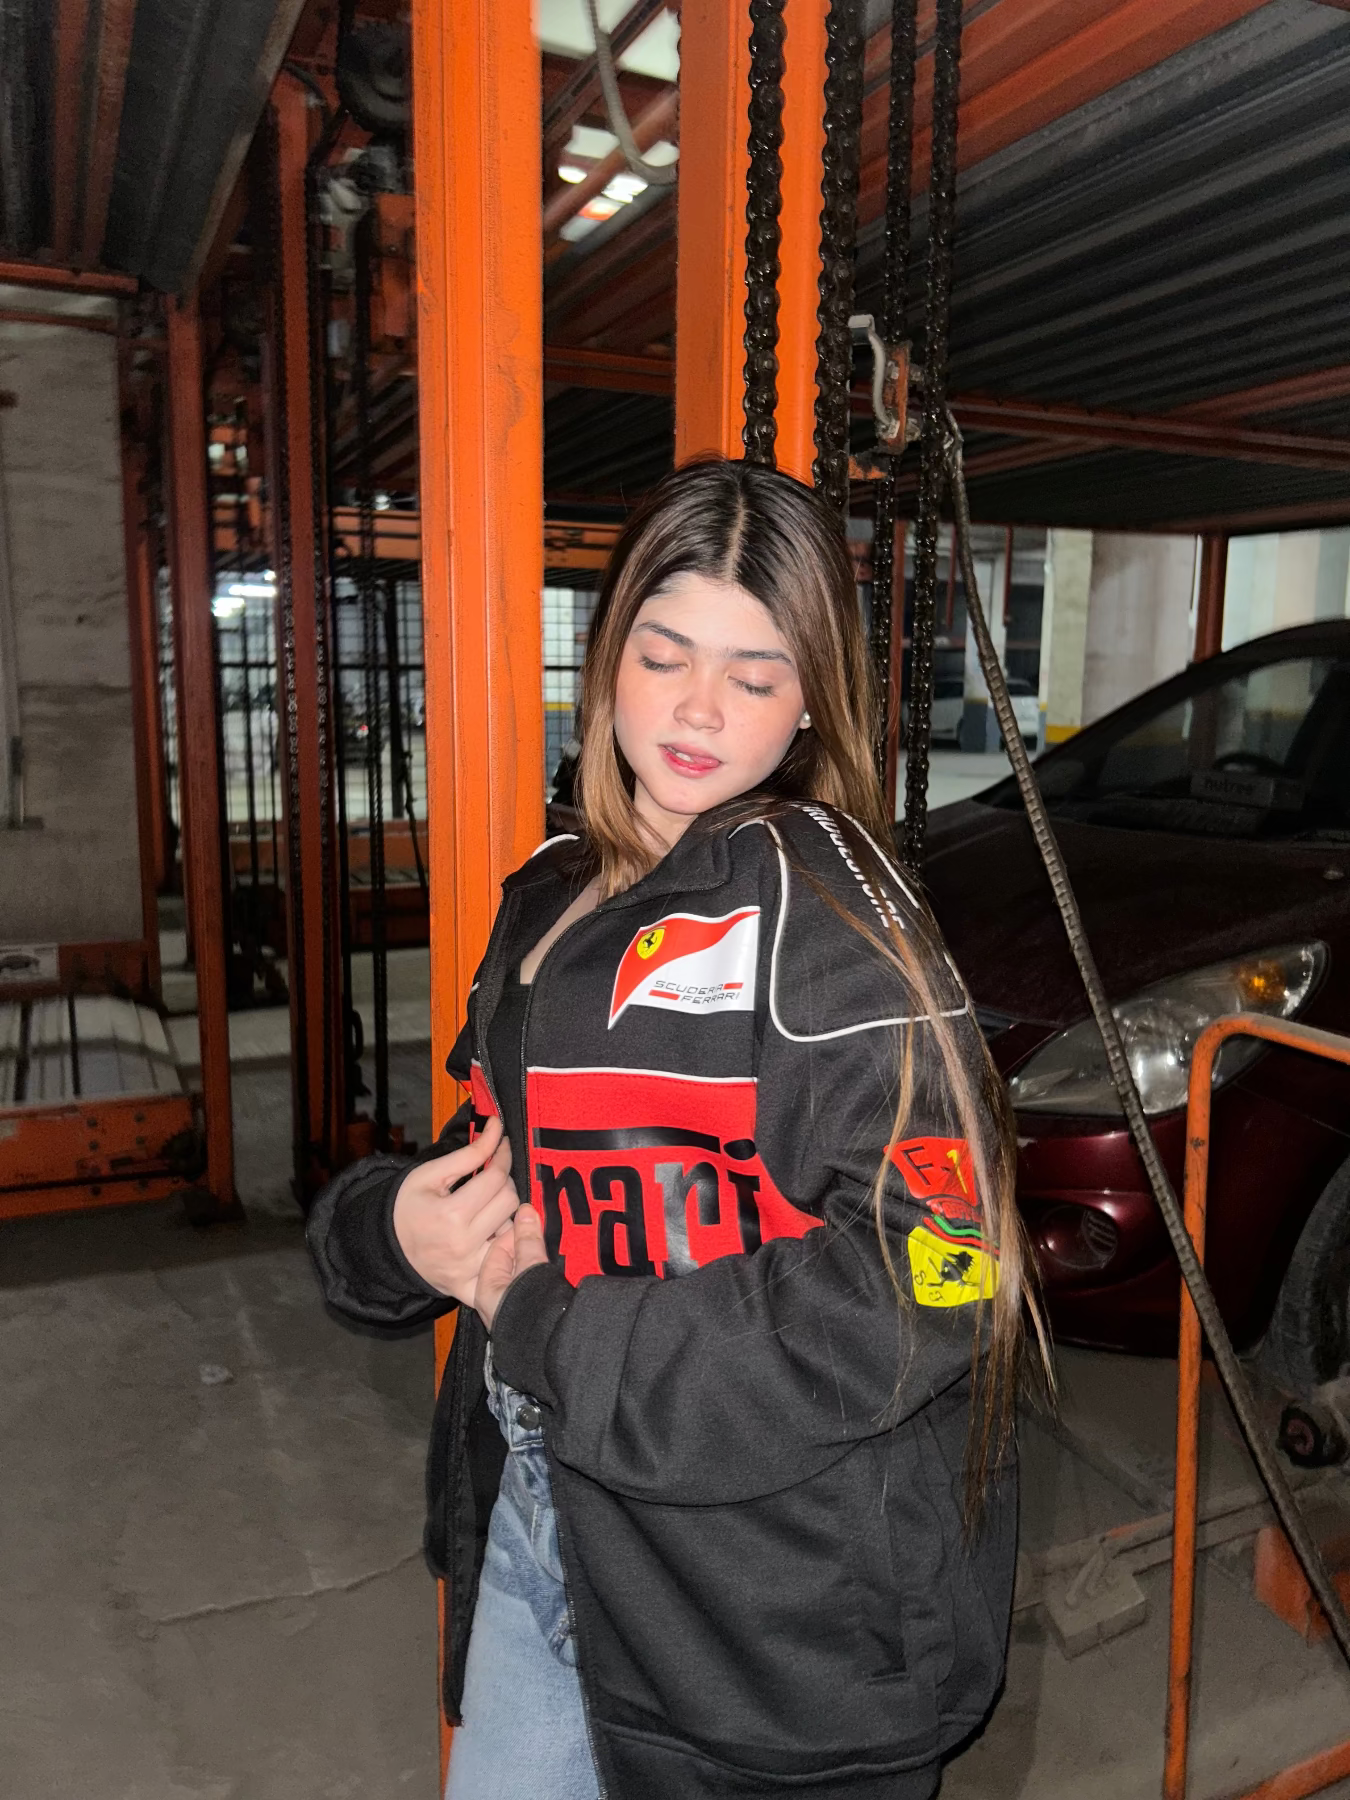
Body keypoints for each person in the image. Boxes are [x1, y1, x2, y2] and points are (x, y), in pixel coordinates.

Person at [307, 457, 1045, 1800]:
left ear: (811, 698)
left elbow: (944, 1272)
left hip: (770, 1626)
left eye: (754, 677)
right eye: (664, 656)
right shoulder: (549, 895)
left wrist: (556, 1332)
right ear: (606, 661)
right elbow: (483, 1164)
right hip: (545, 1529)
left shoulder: (830, 919)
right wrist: (387, 1233)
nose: (698, 709)